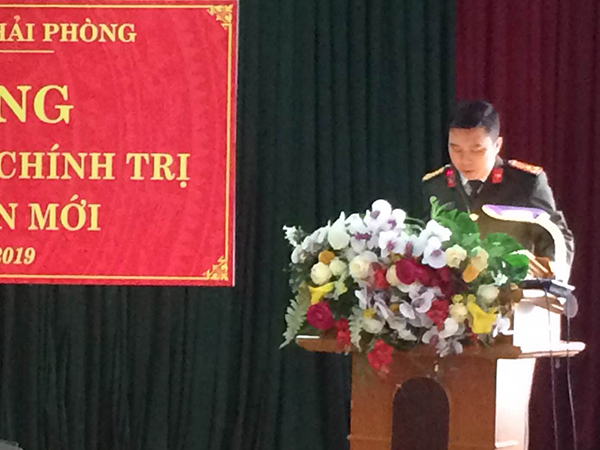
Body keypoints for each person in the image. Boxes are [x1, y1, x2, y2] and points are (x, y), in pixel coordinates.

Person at [422, 100, 574, 274]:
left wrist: (550, 271)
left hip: (512, 285)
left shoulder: (525, 183)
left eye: (477, 150)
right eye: (456, 149)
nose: (465, 160)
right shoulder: (436, 185)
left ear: (497, 146)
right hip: (454, 287)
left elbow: (556, 236)